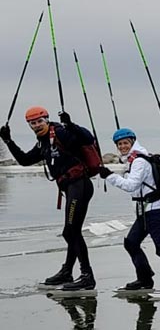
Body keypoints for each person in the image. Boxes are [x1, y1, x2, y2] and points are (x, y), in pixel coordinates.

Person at [0, 107, 96, 290]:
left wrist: (71, 124)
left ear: (46, 120)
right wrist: (8, 141)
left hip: (79, 186)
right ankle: (67, 272)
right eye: (33, 123)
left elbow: (88, 138)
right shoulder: (42, 142)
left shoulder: (60, 133)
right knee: (71, 231)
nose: (37, 125)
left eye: (39, 121)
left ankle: (87, 276)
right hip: (71, 188)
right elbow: (25, 160)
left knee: (71, 231)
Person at [99, 128, 160, 292]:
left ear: (133, 142)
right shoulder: (134, 160)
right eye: (119, 144)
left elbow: (131, 186)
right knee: (131, 243)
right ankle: (145, 279)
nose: (122, 146)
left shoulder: (139, 161)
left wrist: (110, 176)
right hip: (145, 211)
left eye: (125, 143)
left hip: (154, 209)